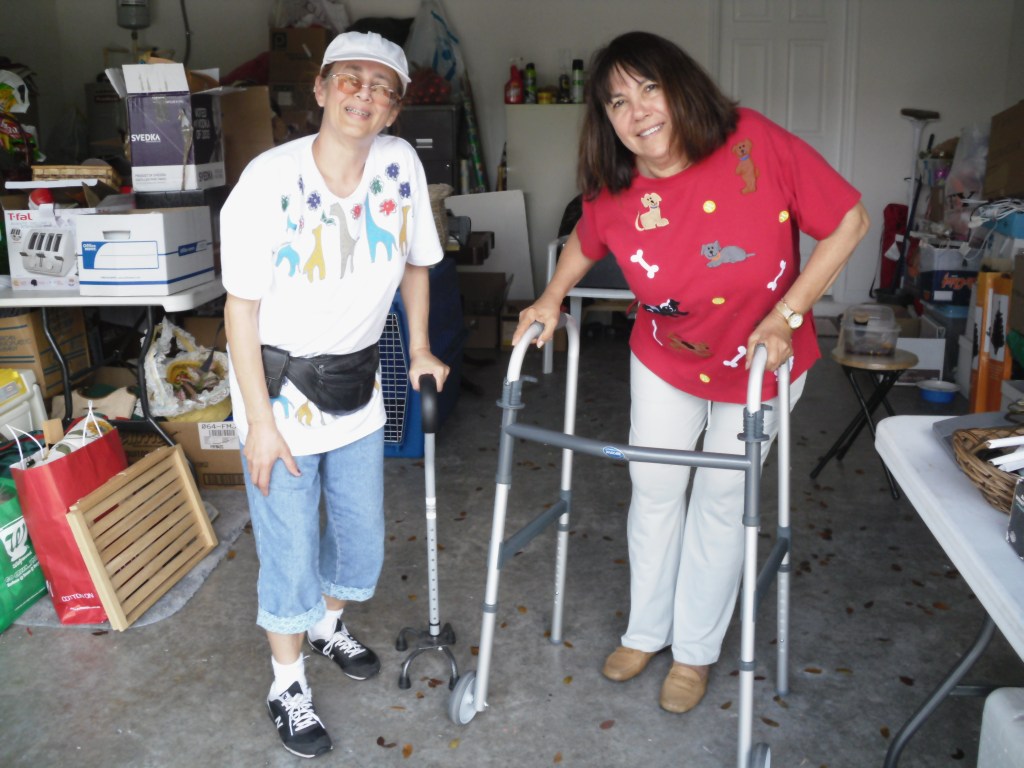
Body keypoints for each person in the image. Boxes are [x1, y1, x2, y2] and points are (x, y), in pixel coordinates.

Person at [514, 31, 869, 715]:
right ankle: (646, 632)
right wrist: (552, 295)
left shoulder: (752, 141)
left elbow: (848, 221)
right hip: (668, 356)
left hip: (760, 360)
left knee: (719, 499)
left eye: (649, 88)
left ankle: (695, 651)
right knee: (654, 488)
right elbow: (587, 237)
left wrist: (788, 315)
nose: (638, 111)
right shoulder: (617, 181)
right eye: (618, 101)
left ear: (681, 87)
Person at [220, 31, 450, 758]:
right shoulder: (268, 179)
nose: (365, 96)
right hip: (278, 396)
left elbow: (417, 264)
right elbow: (240, 310)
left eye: (383, 88)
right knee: (289, 550)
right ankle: (286, 685)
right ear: (321, 89)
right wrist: (259, 423)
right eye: (351, 79)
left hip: (358, 387)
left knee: (361, 542)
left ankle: (326, 624)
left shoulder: (400, 164)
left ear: (395, 109)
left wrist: (418, 347)